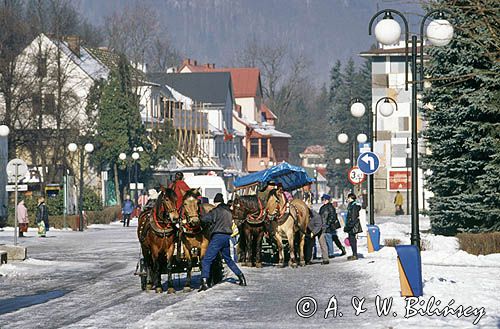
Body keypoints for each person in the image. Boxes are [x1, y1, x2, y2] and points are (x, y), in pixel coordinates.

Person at [199, 193, 246, 291]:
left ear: (216, 202)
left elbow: (204, 219)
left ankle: (204, 282)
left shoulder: (216, 211)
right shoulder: (228, 211)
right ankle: (241, 277)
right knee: (228, 259)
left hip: (217, 237)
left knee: (207, 259)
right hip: (226, 237)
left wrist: (200, 217)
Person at [344, 193, 362, 260]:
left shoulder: (354, 206)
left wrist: (348, 226)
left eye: (348, 198)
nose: (347, 199)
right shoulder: (351, 205)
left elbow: (353, 218)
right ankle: (354, 254)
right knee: (351, 240)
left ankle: (355, 255)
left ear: (351, 198)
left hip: (352, 226)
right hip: (351, 225)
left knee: (352, 240)